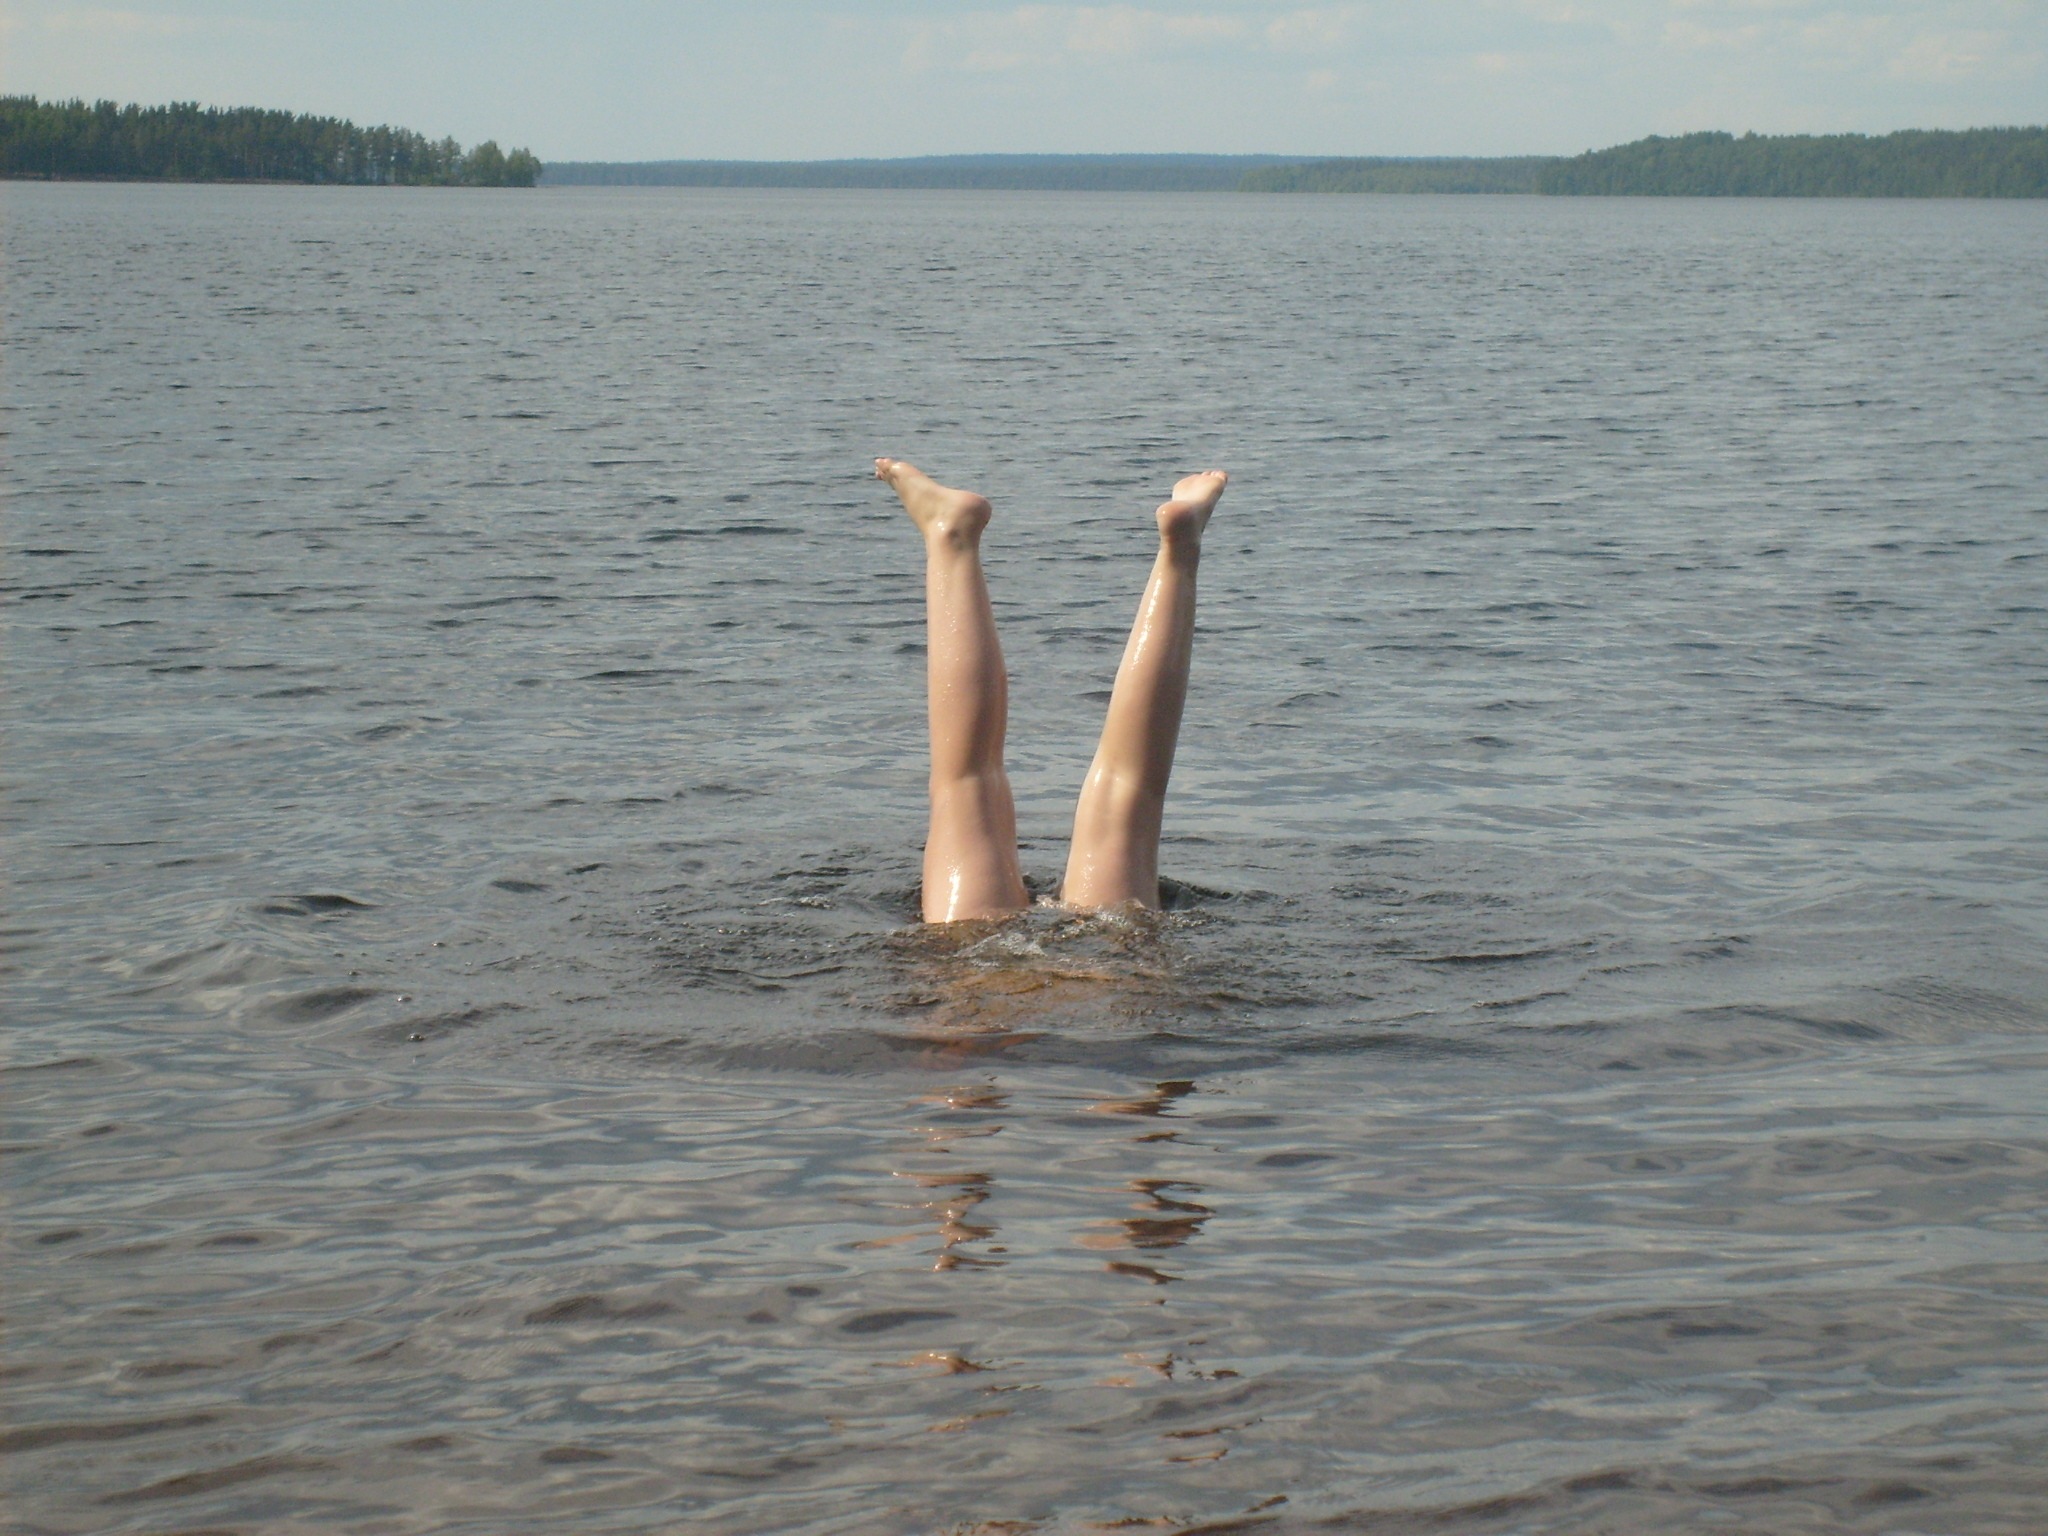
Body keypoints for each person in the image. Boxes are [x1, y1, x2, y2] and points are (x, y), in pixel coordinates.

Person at [874, 458, 1228, 923]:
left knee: (1123, 788)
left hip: (1078, 960)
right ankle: (952, 538)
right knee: (1109, 786)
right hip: (1042, 961)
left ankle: (952, 533)